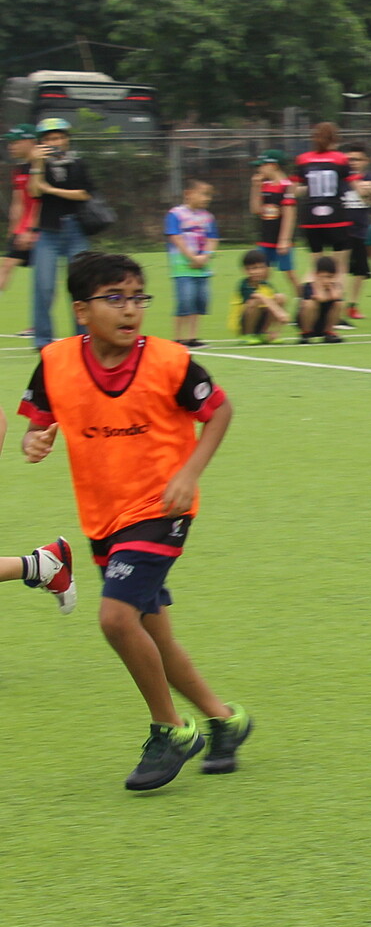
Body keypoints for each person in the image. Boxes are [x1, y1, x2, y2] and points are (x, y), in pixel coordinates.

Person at [21, 251, 252, 790]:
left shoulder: (170, 361)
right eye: (115, 299)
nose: (130, 311)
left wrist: (189, 472)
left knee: (115, 620)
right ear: (82, 310)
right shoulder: (55, 361)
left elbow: (219, 410)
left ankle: (171, 729)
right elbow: (40, 422)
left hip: (161, 511)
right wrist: (37, 439)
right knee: (153, 636)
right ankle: (224, 719)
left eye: (137, 298)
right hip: (103, 519)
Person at [27, 117, 94, 348]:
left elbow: (85, 194)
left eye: (59, 137)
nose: (56, 142)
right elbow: (35, 193)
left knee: (81, 285)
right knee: (44, 287)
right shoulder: (39, 165)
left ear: (67, 139)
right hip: (49, 231)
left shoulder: (77, 163)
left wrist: (51, 190)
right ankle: (42, 340)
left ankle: (83, 337)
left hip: (75, 228)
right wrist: (36, 164)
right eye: (50, 139)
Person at [293, 123, 357, 286]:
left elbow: (294, 190)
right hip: (335, 216)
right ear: (334, 139)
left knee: (315, 268)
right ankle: (335, 306)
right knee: (339, 268)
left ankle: (306, 302)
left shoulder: (303, 159)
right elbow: (356, 187)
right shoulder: (340, 159)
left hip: (311, 217)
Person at [162, 178, 218, 348]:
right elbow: (175, 237)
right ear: (188, 194)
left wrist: (206, 256)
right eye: (203, 194)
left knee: (199, 301)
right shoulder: (175, 214)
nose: (207, 198)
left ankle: (193, 337)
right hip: (182, 268)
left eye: (209, 195)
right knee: (185, 301)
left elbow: (213, 238)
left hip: (202, 268)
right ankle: (178, 338)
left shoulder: (208, 217)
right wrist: (192, 257)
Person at [340, 145, 371, 321]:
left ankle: (352, 305)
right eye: (349, 159)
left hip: (361, 230)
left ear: (366, 161)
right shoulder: (341, 179)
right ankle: (337, 304)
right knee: (340, 269)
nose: (353, 163)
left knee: (360, 271)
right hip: (341, 229)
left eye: (357, 159)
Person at [250, 154, 297, 291]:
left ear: (273, 166)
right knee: (261, 274)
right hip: (266, 239)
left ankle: (303, 299)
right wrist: (255, 188)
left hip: (281, 240)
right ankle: (261, 302)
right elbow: (256, 209)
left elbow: (289, 215)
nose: (259, 170)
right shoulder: (264, 186)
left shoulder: (287, 187)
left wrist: (284, 240)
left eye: (262, 166)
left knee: (289, 273)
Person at [0, 128, 37, 295]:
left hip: (37, 231)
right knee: (6, 265)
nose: (11, 147)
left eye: (15, 142)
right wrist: (13, 230)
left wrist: (31, 230)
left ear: (30, 142)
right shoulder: (19, 169)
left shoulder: (40, 166)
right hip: (22, 230)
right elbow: (18, 202)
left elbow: (40, 202)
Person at [231, 248, 290, 345]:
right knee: (254, 302)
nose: (257, 271)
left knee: (280, 297)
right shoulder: (244, 285)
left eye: (260, 267)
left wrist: (277, 329)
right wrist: (279, 312)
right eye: (253, 268)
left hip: (259, 321)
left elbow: (276, 302)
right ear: (245, 270)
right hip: (242, 323)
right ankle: (247, 335)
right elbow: (259, 297)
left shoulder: (266, 285)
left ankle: (265, 333)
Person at [296, 254, 347, 344]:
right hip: (310, 320)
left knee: (338, 304)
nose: (328, 280)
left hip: (324, 320)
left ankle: (329, 332)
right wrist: (321, 290)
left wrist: (331, 289)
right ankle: (306, 333)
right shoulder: (309, 286)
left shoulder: (334, 285)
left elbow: (337, 297)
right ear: (316, 275)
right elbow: (320, 298)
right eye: (325, 277)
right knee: (309, 304)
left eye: (331, 277)